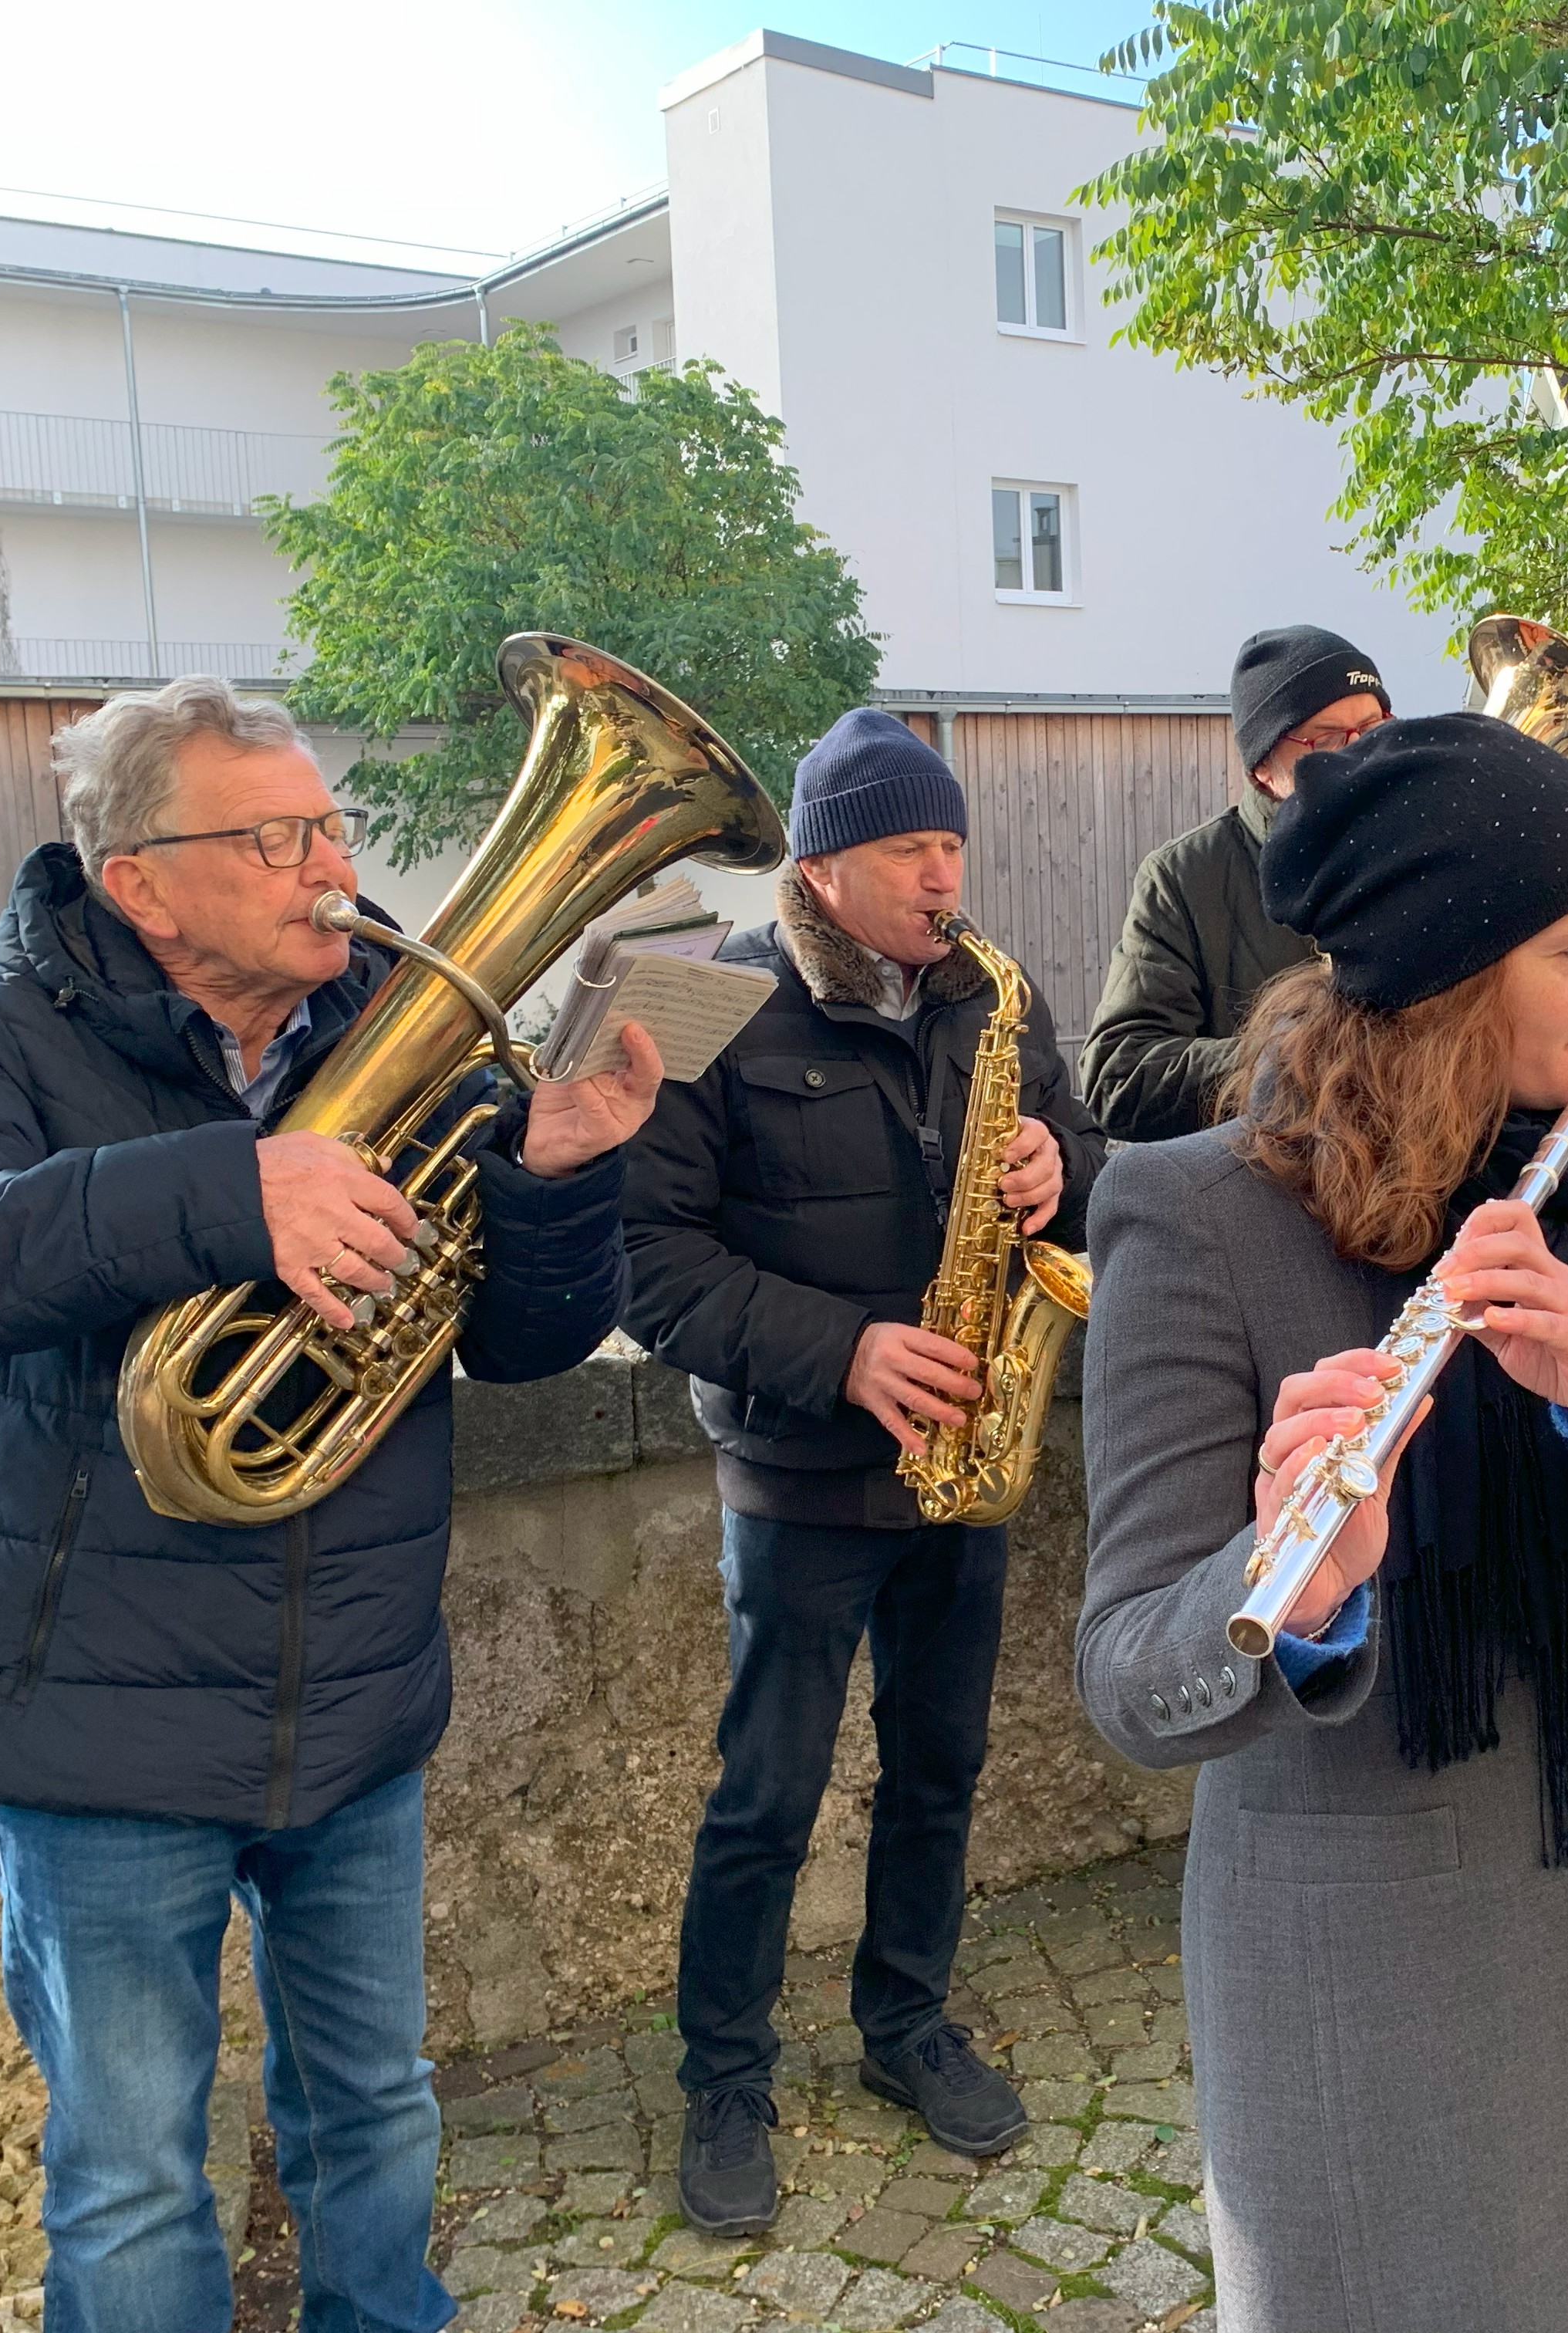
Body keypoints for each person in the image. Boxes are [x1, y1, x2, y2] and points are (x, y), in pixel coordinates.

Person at [0, 677, 652, 2332]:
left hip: (351, 1704)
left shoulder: (394, 1034)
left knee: (381, 2114)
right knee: (129, 2182)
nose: (330, 861)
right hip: (97, 1732)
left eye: (329, 822)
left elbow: (528, 1346)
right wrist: (219, 1194)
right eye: (277, 837)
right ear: (142, 881)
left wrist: (558, 1175)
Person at [1075, 714, 1568, 2333]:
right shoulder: (1192, 1217)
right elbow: (1128, 1679)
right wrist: (1297, 1581)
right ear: (1454, 972)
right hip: (1373, 1994)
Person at [620, 707, 1105, 2221]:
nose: (944, 875)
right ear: (823, 866)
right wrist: (843, 1352)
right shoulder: (705, 1007)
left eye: (954, 843)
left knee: (942, 1769)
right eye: (913, 848)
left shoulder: (996, 1001)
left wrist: (1057, 1167)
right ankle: (724, 2076)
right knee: (766, 1791)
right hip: (803, 1480)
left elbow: (1088, 1164)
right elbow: (649, 1269)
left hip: (964, 1467)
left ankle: (905, 2024)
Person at [1079, 624, 1391, 1139]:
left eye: (1374, 728)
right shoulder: (1183, 878)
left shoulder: (1418, 854)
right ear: (1263, 767)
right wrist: (1294, 1056)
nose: (1361, 755)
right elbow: (1119, 1077)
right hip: (1268, 1199)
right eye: (1329, 738)